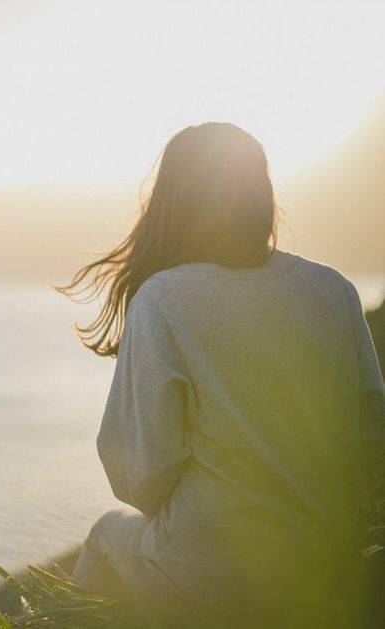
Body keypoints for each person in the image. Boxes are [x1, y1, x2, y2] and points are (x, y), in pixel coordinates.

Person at [55, 123, 385, 627]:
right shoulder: (334, 290)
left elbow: (139, 475)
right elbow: (370, 436)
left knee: (105, 536)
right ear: (264, 194)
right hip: (325, 562)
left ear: (172, 203)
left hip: (216, 574)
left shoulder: (163, 299)